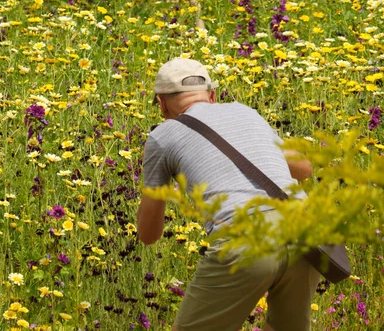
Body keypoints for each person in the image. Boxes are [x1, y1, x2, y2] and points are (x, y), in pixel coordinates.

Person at [137, 58, 320, 331]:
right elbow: (304, 169)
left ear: (162, 104)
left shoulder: (164, 135)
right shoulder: (246, 113)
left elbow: (148, 235)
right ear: (212, 95)